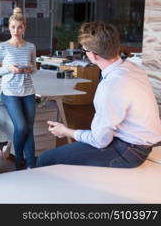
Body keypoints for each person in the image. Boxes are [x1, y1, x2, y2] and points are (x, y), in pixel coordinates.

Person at [37, 22, 161, 168]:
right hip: (143, 143)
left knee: (45, 159)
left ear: (93, 56)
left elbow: (100, 141)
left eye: (84, 50)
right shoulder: (132, 67)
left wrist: (65, 131)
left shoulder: (111, 86)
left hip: (129, 152)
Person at [0, 7, 37, 169]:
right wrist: (9, 69)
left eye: (19, 27)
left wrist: (31, 68)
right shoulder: (2, 47)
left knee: (29, 129)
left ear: (24, 28)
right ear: (8, 28)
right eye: (13, 27)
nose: (16, 30)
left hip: (28, 91)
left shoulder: (30, 46)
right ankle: (18, 162)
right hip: (10, 92)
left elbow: (35, 68)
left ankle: (31, 165)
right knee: (21, 127)